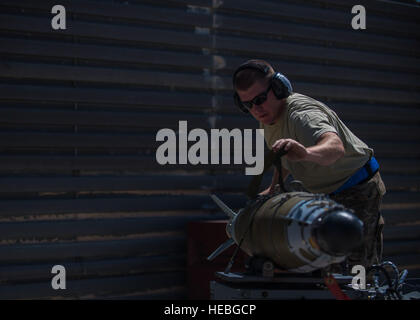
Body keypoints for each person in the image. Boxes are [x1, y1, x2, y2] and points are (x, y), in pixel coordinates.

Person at [232, 59, 386, 269]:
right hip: (326, 193)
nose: (256, 109)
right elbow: (287, 158)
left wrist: (306, 153)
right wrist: (273, 187)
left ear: (279, 88)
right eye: (247, 104)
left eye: (259, 99)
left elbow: (334, 148)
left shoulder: (302, 115)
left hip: (357, 188)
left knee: (356, 270)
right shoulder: (268, 118)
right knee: (324, 264)